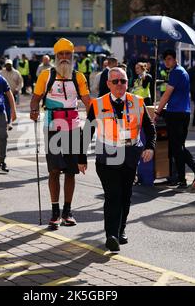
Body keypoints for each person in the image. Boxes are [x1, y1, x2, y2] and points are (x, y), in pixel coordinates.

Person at [80, 67, 156, 252]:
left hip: (130, 156)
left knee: (125, 196)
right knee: (113, 195)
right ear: (108, 84)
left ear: (127, 83)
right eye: (115, 81)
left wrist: (150, 147)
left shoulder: (137, 102)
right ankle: (111, 235)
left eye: (123, 81)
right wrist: (81, 158)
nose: (120, 85)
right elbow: (87, 132)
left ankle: (121, 231)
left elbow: (150, 128)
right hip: (107, 158)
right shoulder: (97, 104)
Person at [30, 38, 91, 230]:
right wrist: (33, 110)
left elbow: (89, 103)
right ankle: (55, 212)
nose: (64, 58)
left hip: (73, 127)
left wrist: (98, 117)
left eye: (68, 55)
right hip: (52, 127)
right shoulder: (46, 76)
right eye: (61, 55)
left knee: (71, 172)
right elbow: (35, 98)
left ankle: (68, 211)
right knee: (54, 171)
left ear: (72, 57)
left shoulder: (78, 77)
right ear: (56, 57)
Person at [153, 50, 195, 190]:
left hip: (175, 114)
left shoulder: (176, 72)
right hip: (184, 112)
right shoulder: (184, 71)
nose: (167, 62)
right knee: (178, 147)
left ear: (175, 59)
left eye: (169, 59)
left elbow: (166, 95)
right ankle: (182, 179)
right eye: (165, 60)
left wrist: (157, 112)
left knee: (178, 147)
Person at [0, 59, 23, 131]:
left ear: (12, 65)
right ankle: (8, 122)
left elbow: (21, 82)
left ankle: (9, 121)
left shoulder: (16, 73)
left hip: (13, 93)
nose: (8, 66)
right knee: (6, 108)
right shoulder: (1, 73)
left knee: (10, 108)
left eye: (9, 65)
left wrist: (17, 89)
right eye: (7, 65)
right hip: (3, 94)